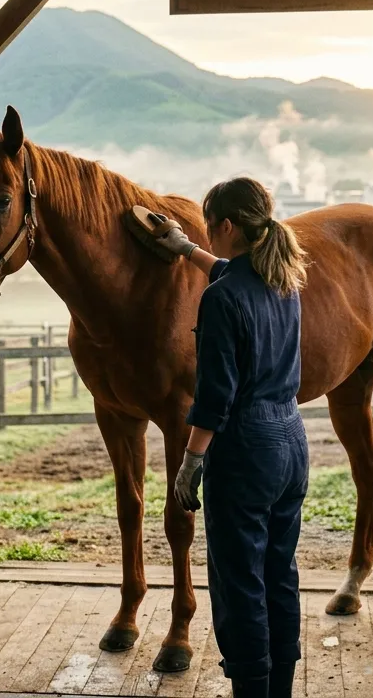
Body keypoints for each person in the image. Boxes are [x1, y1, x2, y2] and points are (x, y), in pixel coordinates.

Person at [152, 177, 310, 698]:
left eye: (207, 228)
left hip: (245, 451)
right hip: (291, 442)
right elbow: (229, 272)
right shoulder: (284, 280)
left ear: (225, 225)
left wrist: (191, 462)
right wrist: (186, 248)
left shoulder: (220, 299)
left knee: (239, 583)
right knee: (278, 574)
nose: (206, 236)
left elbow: (215, 396)